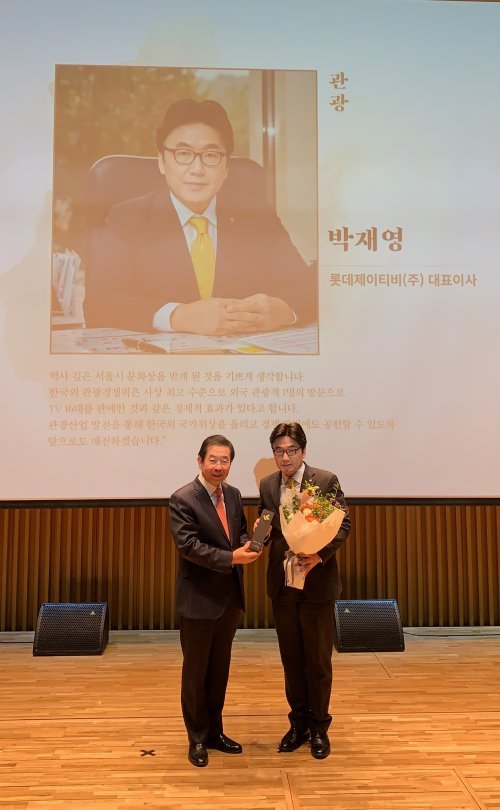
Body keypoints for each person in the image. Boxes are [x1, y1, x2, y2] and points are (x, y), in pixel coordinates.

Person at [84, 98, 317, 336]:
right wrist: (177, 317)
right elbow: (99, 303)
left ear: (226, 168)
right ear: (162, 162)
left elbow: (309, 288)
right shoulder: (128, 218)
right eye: (183, 153)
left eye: (211, 155)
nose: (197, 169)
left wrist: (285, 310)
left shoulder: (257, 217)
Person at [258, 422, 351, 759]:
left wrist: (319, 555)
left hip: (316, 583)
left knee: (318, 660)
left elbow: (343, 523)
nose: (285, 457)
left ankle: (319, 727)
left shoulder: (324, 480)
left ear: (303, 451)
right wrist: (258, 537)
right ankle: (298, 724)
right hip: (283, 584)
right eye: (279, 451)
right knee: (292, 659)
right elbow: (267, 522)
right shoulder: (268, 484)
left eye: (291, 451)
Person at [169, 434, 262, 767]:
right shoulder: (183, 498)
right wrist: (232, 557)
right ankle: (196, 738)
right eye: (213, 460)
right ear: (200, 461)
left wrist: (251, 542)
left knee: (219, 671)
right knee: (196, 673)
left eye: (225, 460)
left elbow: (237, 534)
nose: (219, 466)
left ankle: (215, 732)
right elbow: (188, 546)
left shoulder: (233, 494)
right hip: (198, 601)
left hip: (229, 600)